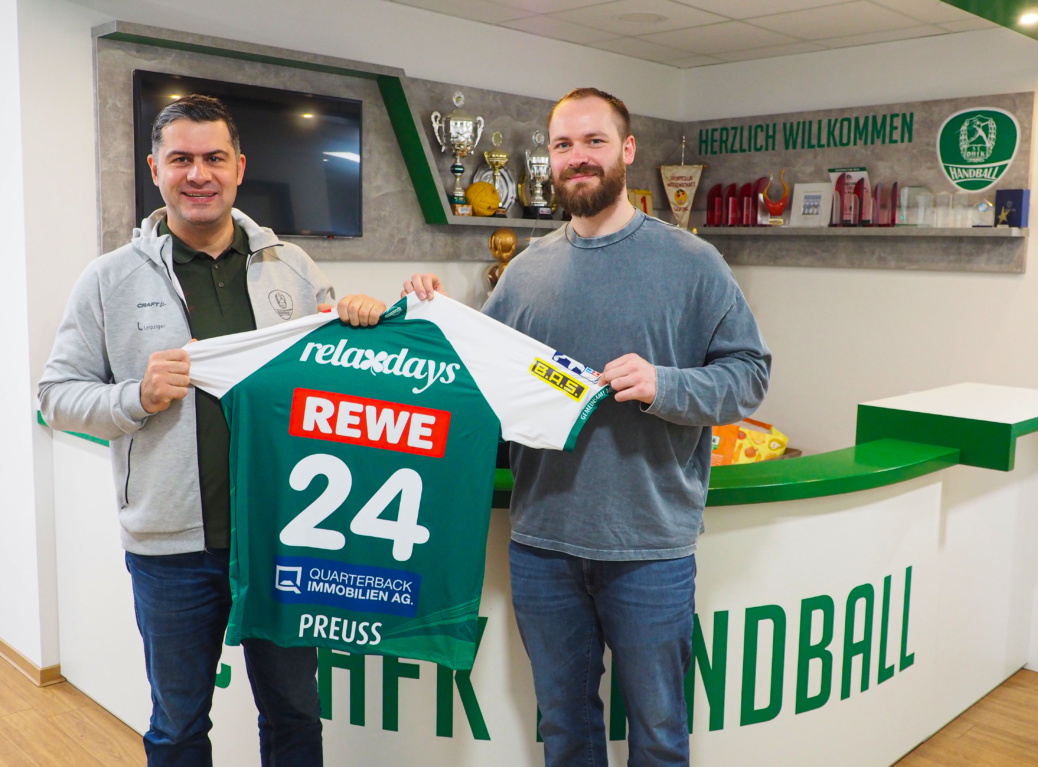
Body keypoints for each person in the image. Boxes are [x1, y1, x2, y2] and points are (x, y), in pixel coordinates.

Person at [404, 87, 771, 766]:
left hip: (650, 548)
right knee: (566, 730)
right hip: (542, 546)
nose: (578, 157)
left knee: (659, 735)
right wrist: (431, 317)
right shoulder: (524, 274)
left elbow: (750, 375)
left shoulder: (694, 263)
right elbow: (480, 381)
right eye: (563, 145)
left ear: (626, 150)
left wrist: (667, 384)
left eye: (594, 142)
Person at [38, 95, 385, 766]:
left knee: (294, 715)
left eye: (214, 158)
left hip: (283, 537)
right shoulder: (109, 279)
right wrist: (137, 396)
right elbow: (57, 395)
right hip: (172, 550)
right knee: (178, 725)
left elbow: (340, 379)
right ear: (155, 170)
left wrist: (367, 319)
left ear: (239, 168)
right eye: (181, 159)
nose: (198, 174)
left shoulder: (293, 268)